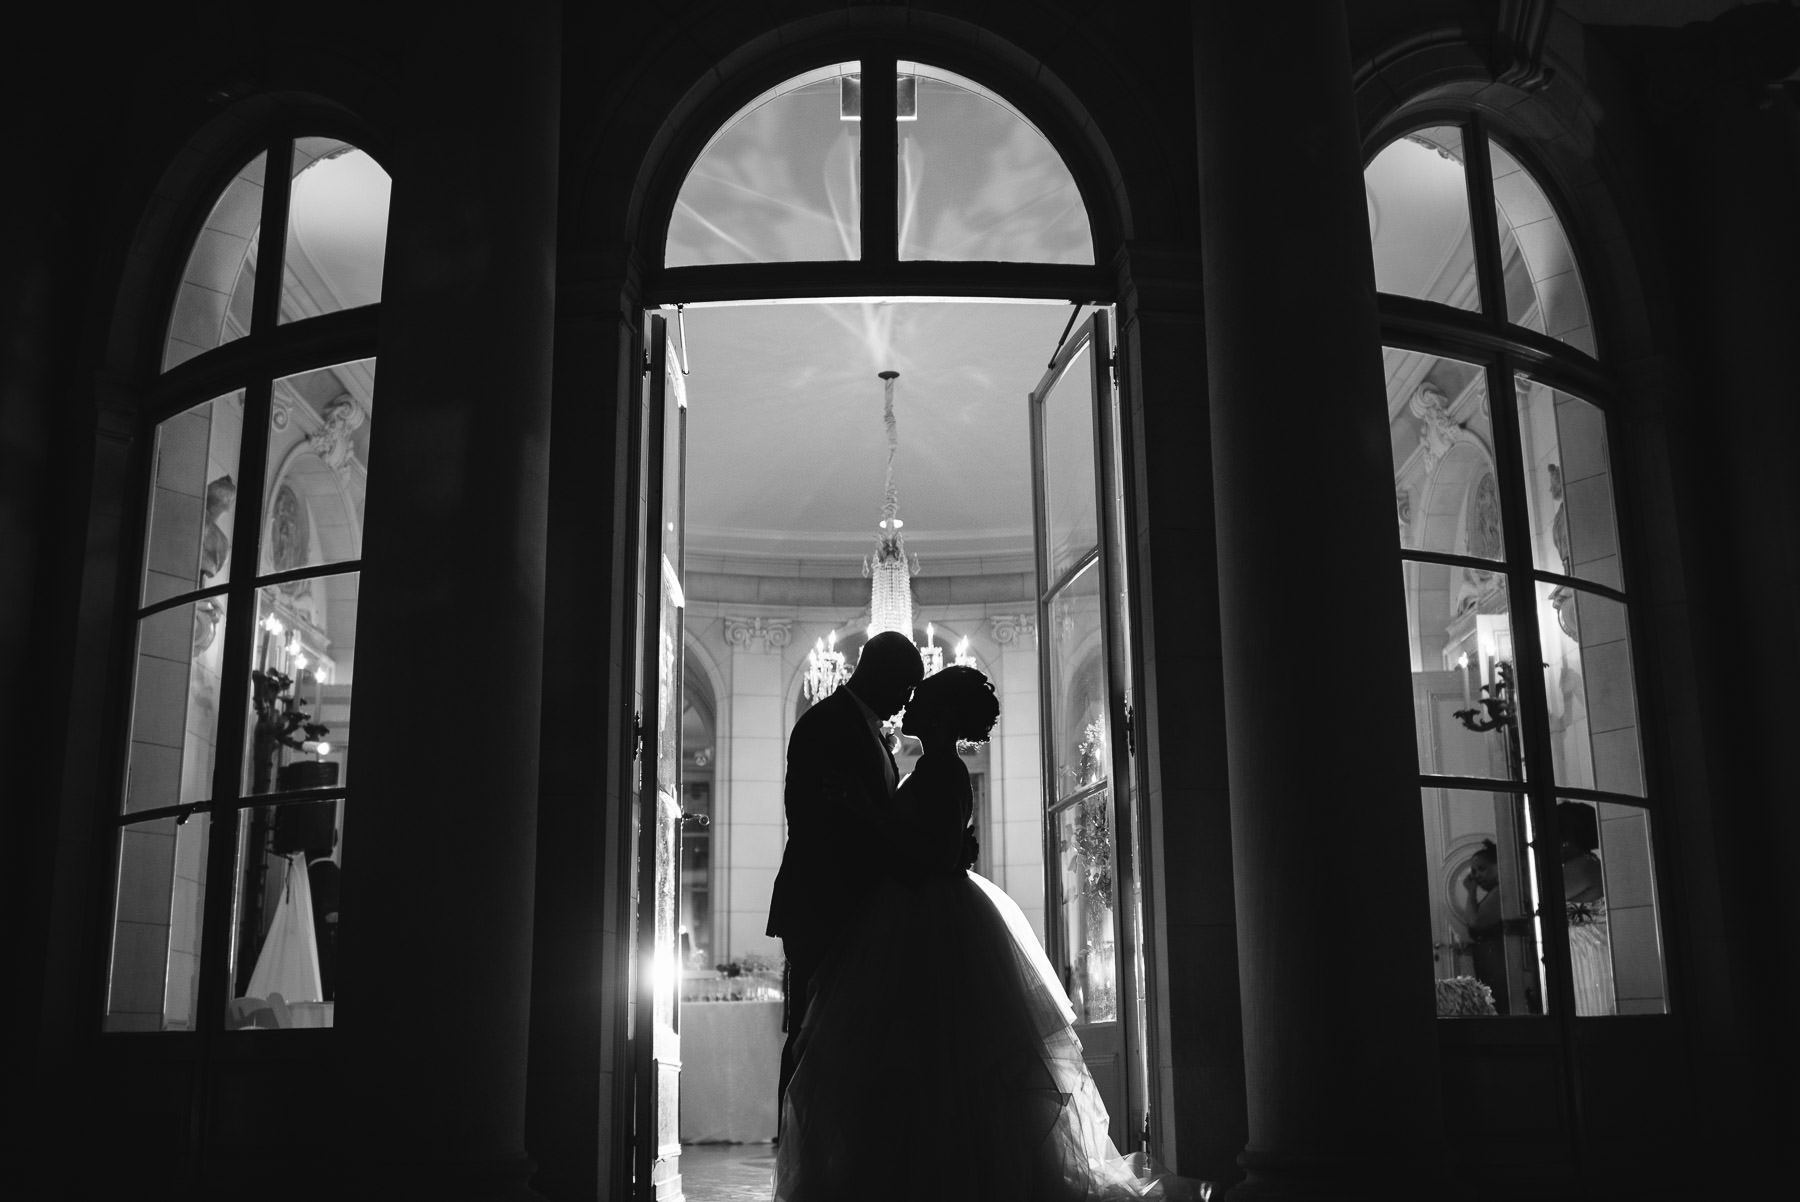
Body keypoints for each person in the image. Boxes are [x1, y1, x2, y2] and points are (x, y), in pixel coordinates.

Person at [773, 666, 1205, 1202]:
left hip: (926, 917)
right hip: (914, 911)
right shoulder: (935, 768)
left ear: (940, 716)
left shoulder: (942, 771)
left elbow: (930, 853)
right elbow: (941, 844)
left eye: (920, 702)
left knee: (935, 1054)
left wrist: (864, 811)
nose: (908, 707)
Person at [765, 630, 925, 1130]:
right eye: (905, 686)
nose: (907, 701)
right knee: (810, 1034)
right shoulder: (824, 724)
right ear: (878, 672)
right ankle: (796, 1150)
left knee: (845, 1037)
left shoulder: (872, 731)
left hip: (857, 909)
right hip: (823, 905)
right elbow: (808, 816)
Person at [1557, 801, 1615, 1016]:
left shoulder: (1579, 867)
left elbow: (1546, 900)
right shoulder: (1589, 862)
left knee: (1589, 1012)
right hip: (1589, 946)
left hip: (1585, 950)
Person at [1460, 839, 1509, 1014]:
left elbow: (1475, 922)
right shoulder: (1494, 892)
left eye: (1482, 869)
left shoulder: (1501, 891)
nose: (1477, 876)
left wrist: (1471, 892)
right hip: (1492, 963)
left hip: (1499, 963)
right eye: (1473, 871)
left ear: (1498, 865)